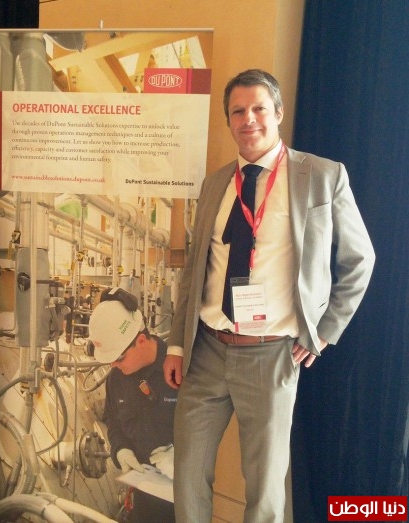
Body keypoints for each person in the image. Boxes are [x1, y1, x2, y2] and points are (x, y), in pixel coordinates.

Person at [163, 69, 375, 523]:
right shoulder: (216, 184)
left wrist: (324, 331)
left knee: (265, 490)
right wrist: (177, 344)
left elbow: (360, 260)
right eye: (237, 111)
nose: (248, 119)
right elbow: (195, 271)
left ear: (278, 112)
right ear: (228, 120)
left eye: (259, 108)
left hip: (272, 354)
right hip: (206, 351)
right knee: (187, 475)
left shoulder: (322, 176)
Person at [88, 288, 177, 523]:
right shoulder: (116, 380)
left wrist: (182, 455)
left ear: (141, 340)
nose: (114, 366)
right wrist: (120, 449)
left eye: (119, 357)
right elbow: (114, 424)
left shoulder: (180, 369)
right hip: (145, 498)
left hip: (183, 500)